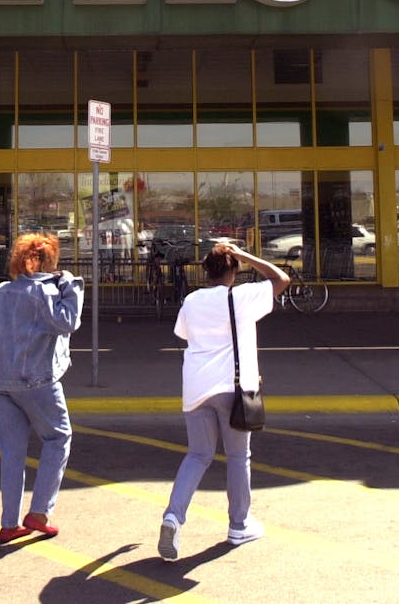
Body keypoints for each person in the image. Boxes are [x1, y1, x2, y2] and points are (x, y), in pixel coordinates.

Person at [158, 241, 289, 562]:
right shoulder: (243, 297)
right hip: (233, 390)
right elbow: (281, 279)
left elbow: (184, 334)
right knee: (237, 457)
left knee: (198, 455)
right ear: (233, 270)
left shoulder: (191, 300)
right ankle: (239, 525)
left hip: (196, 388)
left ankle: (173, 516)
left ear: (205, 271)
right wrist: (243, 254)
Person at [0, 231, 84, 543]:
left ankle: (9, 523)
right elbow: (68, 321)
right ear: (50, 263)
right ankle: (39, 513)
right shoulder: (46, 293)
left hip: (1, 380)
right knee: (58, 438)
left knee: (12, 452)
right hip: (37, 380)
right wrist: (71, 283)